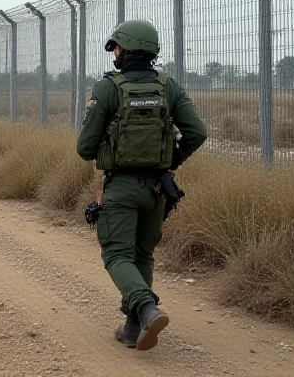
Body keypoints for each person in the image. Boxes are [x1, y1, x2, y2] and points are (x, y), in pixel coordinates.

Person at [76, 20, 207, 351]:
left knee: (117, 255)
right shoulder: (169, 87)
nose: (114, 53)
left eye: (116, 47)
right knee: (142, 255)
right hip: (158, 190)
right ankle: (134, 328)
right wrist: (169, 162)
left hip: (120, 188)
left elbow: (84, 148)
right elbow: (197, 133)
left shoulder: (107, 88)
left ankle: (148, 308)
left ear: (126, 49)